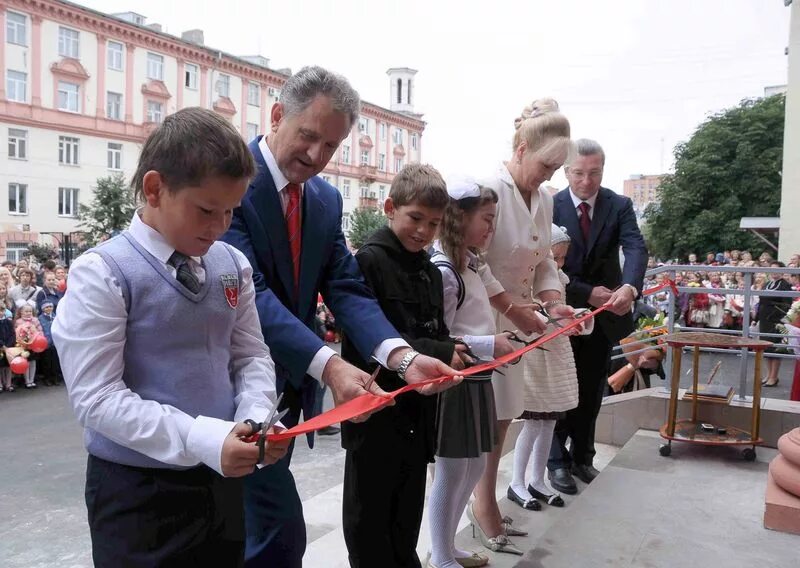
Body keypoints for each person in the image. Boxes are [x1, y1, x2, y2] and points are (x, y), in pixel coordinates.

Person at [220, 66, 459, 567]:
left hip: (279, 391)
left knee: (264, 530)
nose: (317, 156)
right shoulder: (229, 178)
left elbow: (346, 288)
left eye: (332, 146)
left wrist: (403, 357)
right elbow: (250, 295)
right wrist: (329, 365)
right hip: (222, 383)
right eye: (309, 137)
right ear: (278, 115)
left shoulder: (325, 200)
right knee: (273, 531)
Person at [51, 107, 291, 566]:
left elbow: (249, 355)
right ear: (155, 188)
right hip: (137, 494)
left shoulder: (231, 264)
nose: (220, 226)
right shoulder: (102, 272)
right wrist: (204, 437)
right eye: (206, 210)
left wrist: (256, 416)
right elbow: (97, 398)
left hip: (220, 481)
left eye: (230, 211)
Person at [340, 165, 466, 568]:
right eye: (415, 218)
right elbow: (375, 336)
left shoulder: (429, 271)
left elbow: (437, 327)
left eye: (433, 224)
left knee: (406, 518)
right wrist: (443, 351)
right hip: (375, 412)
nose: (424, 232)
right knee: (369, 523)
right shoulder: (369, 262)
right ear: (390, 208)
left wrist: (453, 348)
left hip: (419, 412)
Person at [471, 98, 574, 555]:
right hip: (484, 316)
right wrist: (513, 308)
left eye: (556, 167)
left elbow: (546, 261)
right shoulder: (489, 187)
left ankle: (485, 499)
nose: (550, 174)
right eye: (546, 164)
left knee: (505, 417)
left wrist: (553, 299)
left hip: (520, 318)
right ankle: (478, 503)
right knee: (482, 418)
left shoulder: (544, 198)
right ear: (520, 147)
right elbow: (472, 259)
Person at [548, 138, 647, 494]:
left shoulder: (618, 205)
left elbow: (635, 246)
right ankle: (556, 462)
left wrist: (630, 287)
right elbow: (544, 263)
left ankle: (583, 458)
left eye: (594, 173)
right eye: (578, 173)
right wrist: (584, 291)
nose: (586, 182)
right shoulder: (550, 204)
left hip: (606, 315)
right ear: (566, 171)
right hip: (563, 312)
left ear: (603, 170)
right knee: (559, 390)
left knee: (592, 391)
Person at [427, 178, 514, 568]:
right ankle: (441, 555)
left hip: (478, 379)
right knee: (451, 469)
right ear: (459, 217)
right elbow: (440, 336)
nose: (491, 228)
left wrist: (496, 347)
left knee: (476, 465)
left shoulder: (473, 263)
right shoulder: (445, 269)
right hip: (456, 381)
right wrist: (488, 345)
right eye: (487, 218)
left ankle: (449, 546)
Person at [509, 224, 591, 512]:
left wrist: (574, 321)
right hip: (537, 356)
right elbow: (532, 319)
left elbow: (558, 313)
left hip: (555, 353)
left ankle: (537, 479)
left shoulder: (559, 281)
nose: (558, 264)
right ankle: (516, 483)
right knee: (533, 424)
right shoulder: (527, 282)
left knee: (549, 423)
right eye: (553, 258)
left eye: (562, 259)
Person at [758, 261, 793, 387]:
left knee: (775, 348)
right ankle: (768, 375)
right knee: (766, 348)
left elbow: (787, 304)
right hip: (764, 320)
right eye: (772, 269)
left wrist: (775, 314)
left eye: (777, 269)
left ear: (782, 271)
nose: (774, 272)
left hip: (776, 320)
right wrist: (757, 317)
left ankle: (774, 376)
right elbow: (760, 301)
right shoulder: (767, 284)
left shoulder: (785, 285)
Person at [14, 304, 42, 388]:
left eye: (30, 311)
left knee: (33, 362)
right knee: (26, 362)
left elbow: (40, 330)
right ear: (21, 312)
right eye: (26, 311)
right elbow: (16, 333)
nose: (28, 313)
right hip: (24, 345)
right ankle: (27, 381)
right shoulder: (18, 321)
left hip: (34, 344)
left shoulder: (35, 320)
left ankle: (32, 380)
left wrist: (39, 336)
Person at [37, 301, 60, 386]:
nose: (49, 309)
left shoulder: (55, 316)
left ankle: (55, 377)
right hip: (46, 343)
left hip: (55, 342)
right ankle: (47, 378)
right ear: (43, 309)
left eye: (50, 306)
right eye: (46, 307)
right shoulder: (41, 318)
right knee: (46, 362)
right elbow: (41, 330)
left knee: (55, 362)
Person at [0, 307, 15, 392]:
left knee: (9, 366)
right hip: (1, 348)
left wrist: (8, 345)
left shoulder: (8, 322)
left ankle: (8, 384)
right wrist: (2, 345)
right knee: (1, 367)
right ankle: (1, 384)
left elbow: (13, 334)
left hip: (8, 347)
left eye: (2, 310)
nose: (0, 312)